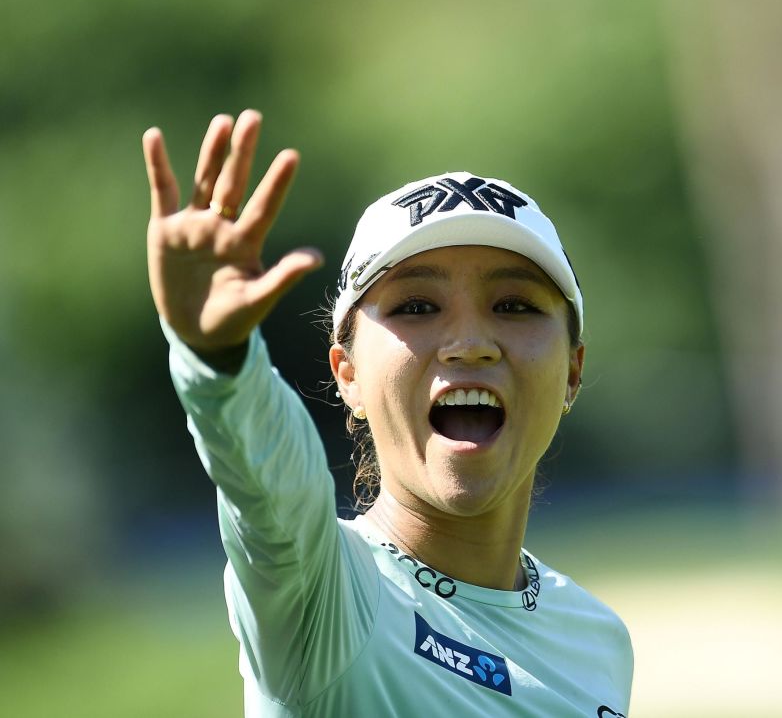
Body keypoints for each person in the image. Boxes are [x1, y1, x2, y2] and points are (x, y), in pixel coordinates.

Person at [144, 109, 634, 717]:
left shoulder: (598, 638)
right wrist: (219, 362)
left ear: (573, 370)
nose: (469, 342)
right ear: (347, 374)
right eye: (417, 306)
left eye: (513, 304)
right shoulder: (320, 599)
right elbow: (272, 491)